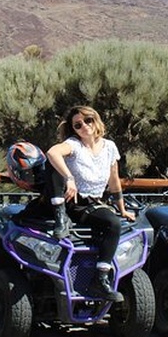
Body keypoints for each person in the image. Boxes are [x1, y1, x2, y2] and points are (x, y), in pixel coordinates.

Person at [43, 105, 135, 302]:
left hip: (94, 203)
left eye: (88, 120)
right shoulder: (74, 145)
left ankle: (100, 279)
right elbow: (52, 153)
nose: (84, 126)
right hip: (72, 201)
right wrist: (69, 178)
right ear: (74, 129)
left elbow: (114, 179)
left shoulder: (109, 147)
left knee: (114, 224)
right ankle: (60, 217)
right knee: (52, 165)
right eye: (78, 125)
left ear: (96, 121)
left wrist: (122, 209)